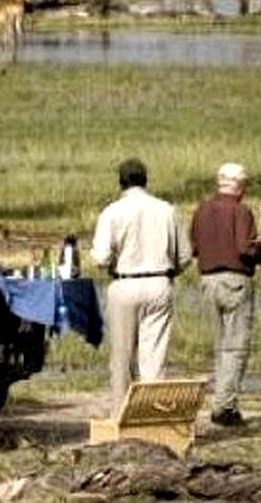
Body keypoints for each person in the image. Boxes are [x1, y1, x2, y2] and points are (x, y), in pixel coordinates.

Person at [89, 157, 192, 411]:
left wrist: (112, 262)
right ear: (146, 181)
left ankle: (121, 414)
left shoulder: (112, 212)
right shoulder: (167, 209)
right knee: (154, 357)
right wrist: (169, 273)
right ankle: (151, 414)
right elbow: (186, 256)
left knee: (122, 358)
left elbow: (101, 257)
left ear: (121, 183)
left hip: (124, 284)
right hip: (160, 282)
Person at [191, 162, 261, 427]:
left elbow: (194, 247)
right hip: (235, 281)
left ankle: (222, 400)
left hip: (207, 281)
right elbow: (244, 249)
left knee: (219, 346)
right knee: (235, 346)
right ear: (239, 186)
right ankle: (225, 407)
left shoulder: (201, 209)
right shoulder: (241, 211)